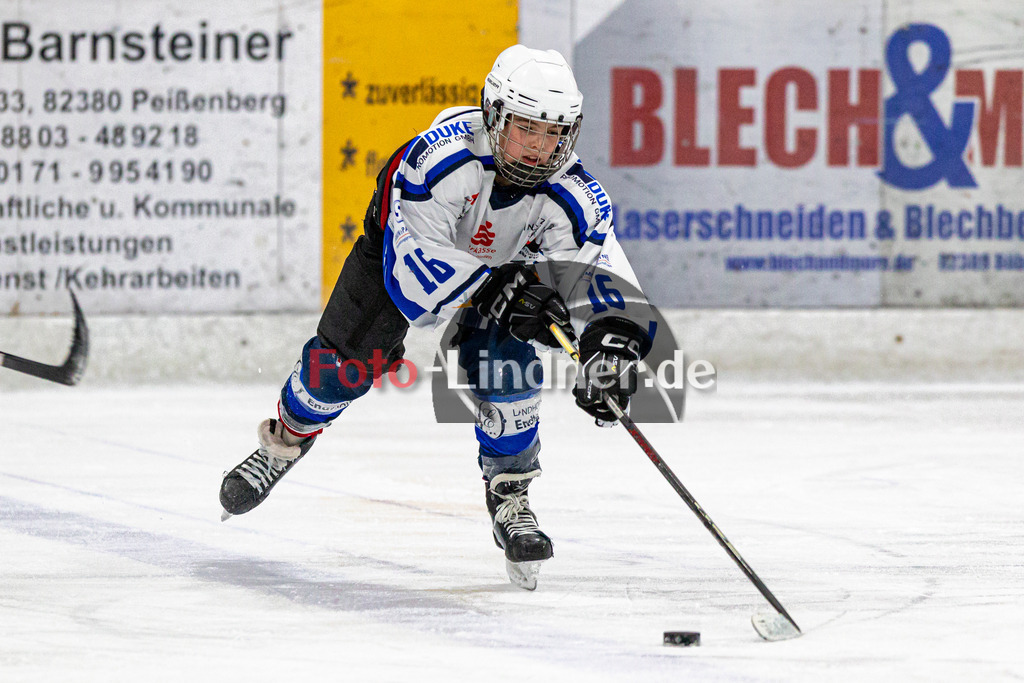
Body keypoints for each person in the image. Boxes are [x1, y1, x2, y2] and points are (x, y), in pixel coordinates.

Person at [220, 44, 654, 590]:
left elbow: (600, 272)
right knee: (345, 366)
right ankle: (285, 438)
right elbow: (412, 279)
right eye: (527, 128)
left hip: (504, 273)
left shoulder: (574, 191)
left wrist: (612, 348)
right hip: (398, 255)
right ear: (494, 115)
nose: (542, 147)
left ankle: (510, 492)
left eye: (554, 133)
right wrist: (501, 290)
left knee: (505, 365)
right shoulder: (439, 161)